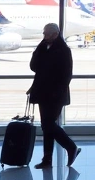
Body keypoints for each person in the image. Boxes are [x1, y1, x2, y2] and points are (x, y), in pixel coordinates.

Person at [29, 23, 80, 170]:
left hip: (55, 94)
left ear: (55, 34)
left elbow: (67, 75)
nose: (44, 36)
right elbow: (33, 67)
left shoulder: (64, 50)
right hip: (43, 92)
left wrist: (57, 91)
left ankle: (71, 147)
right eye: (44, 33)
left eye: (47, 34)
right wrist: (38, 49)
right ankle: (47, 159)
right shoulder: (43, 47)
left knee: (48, 124)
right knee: (47, 126)